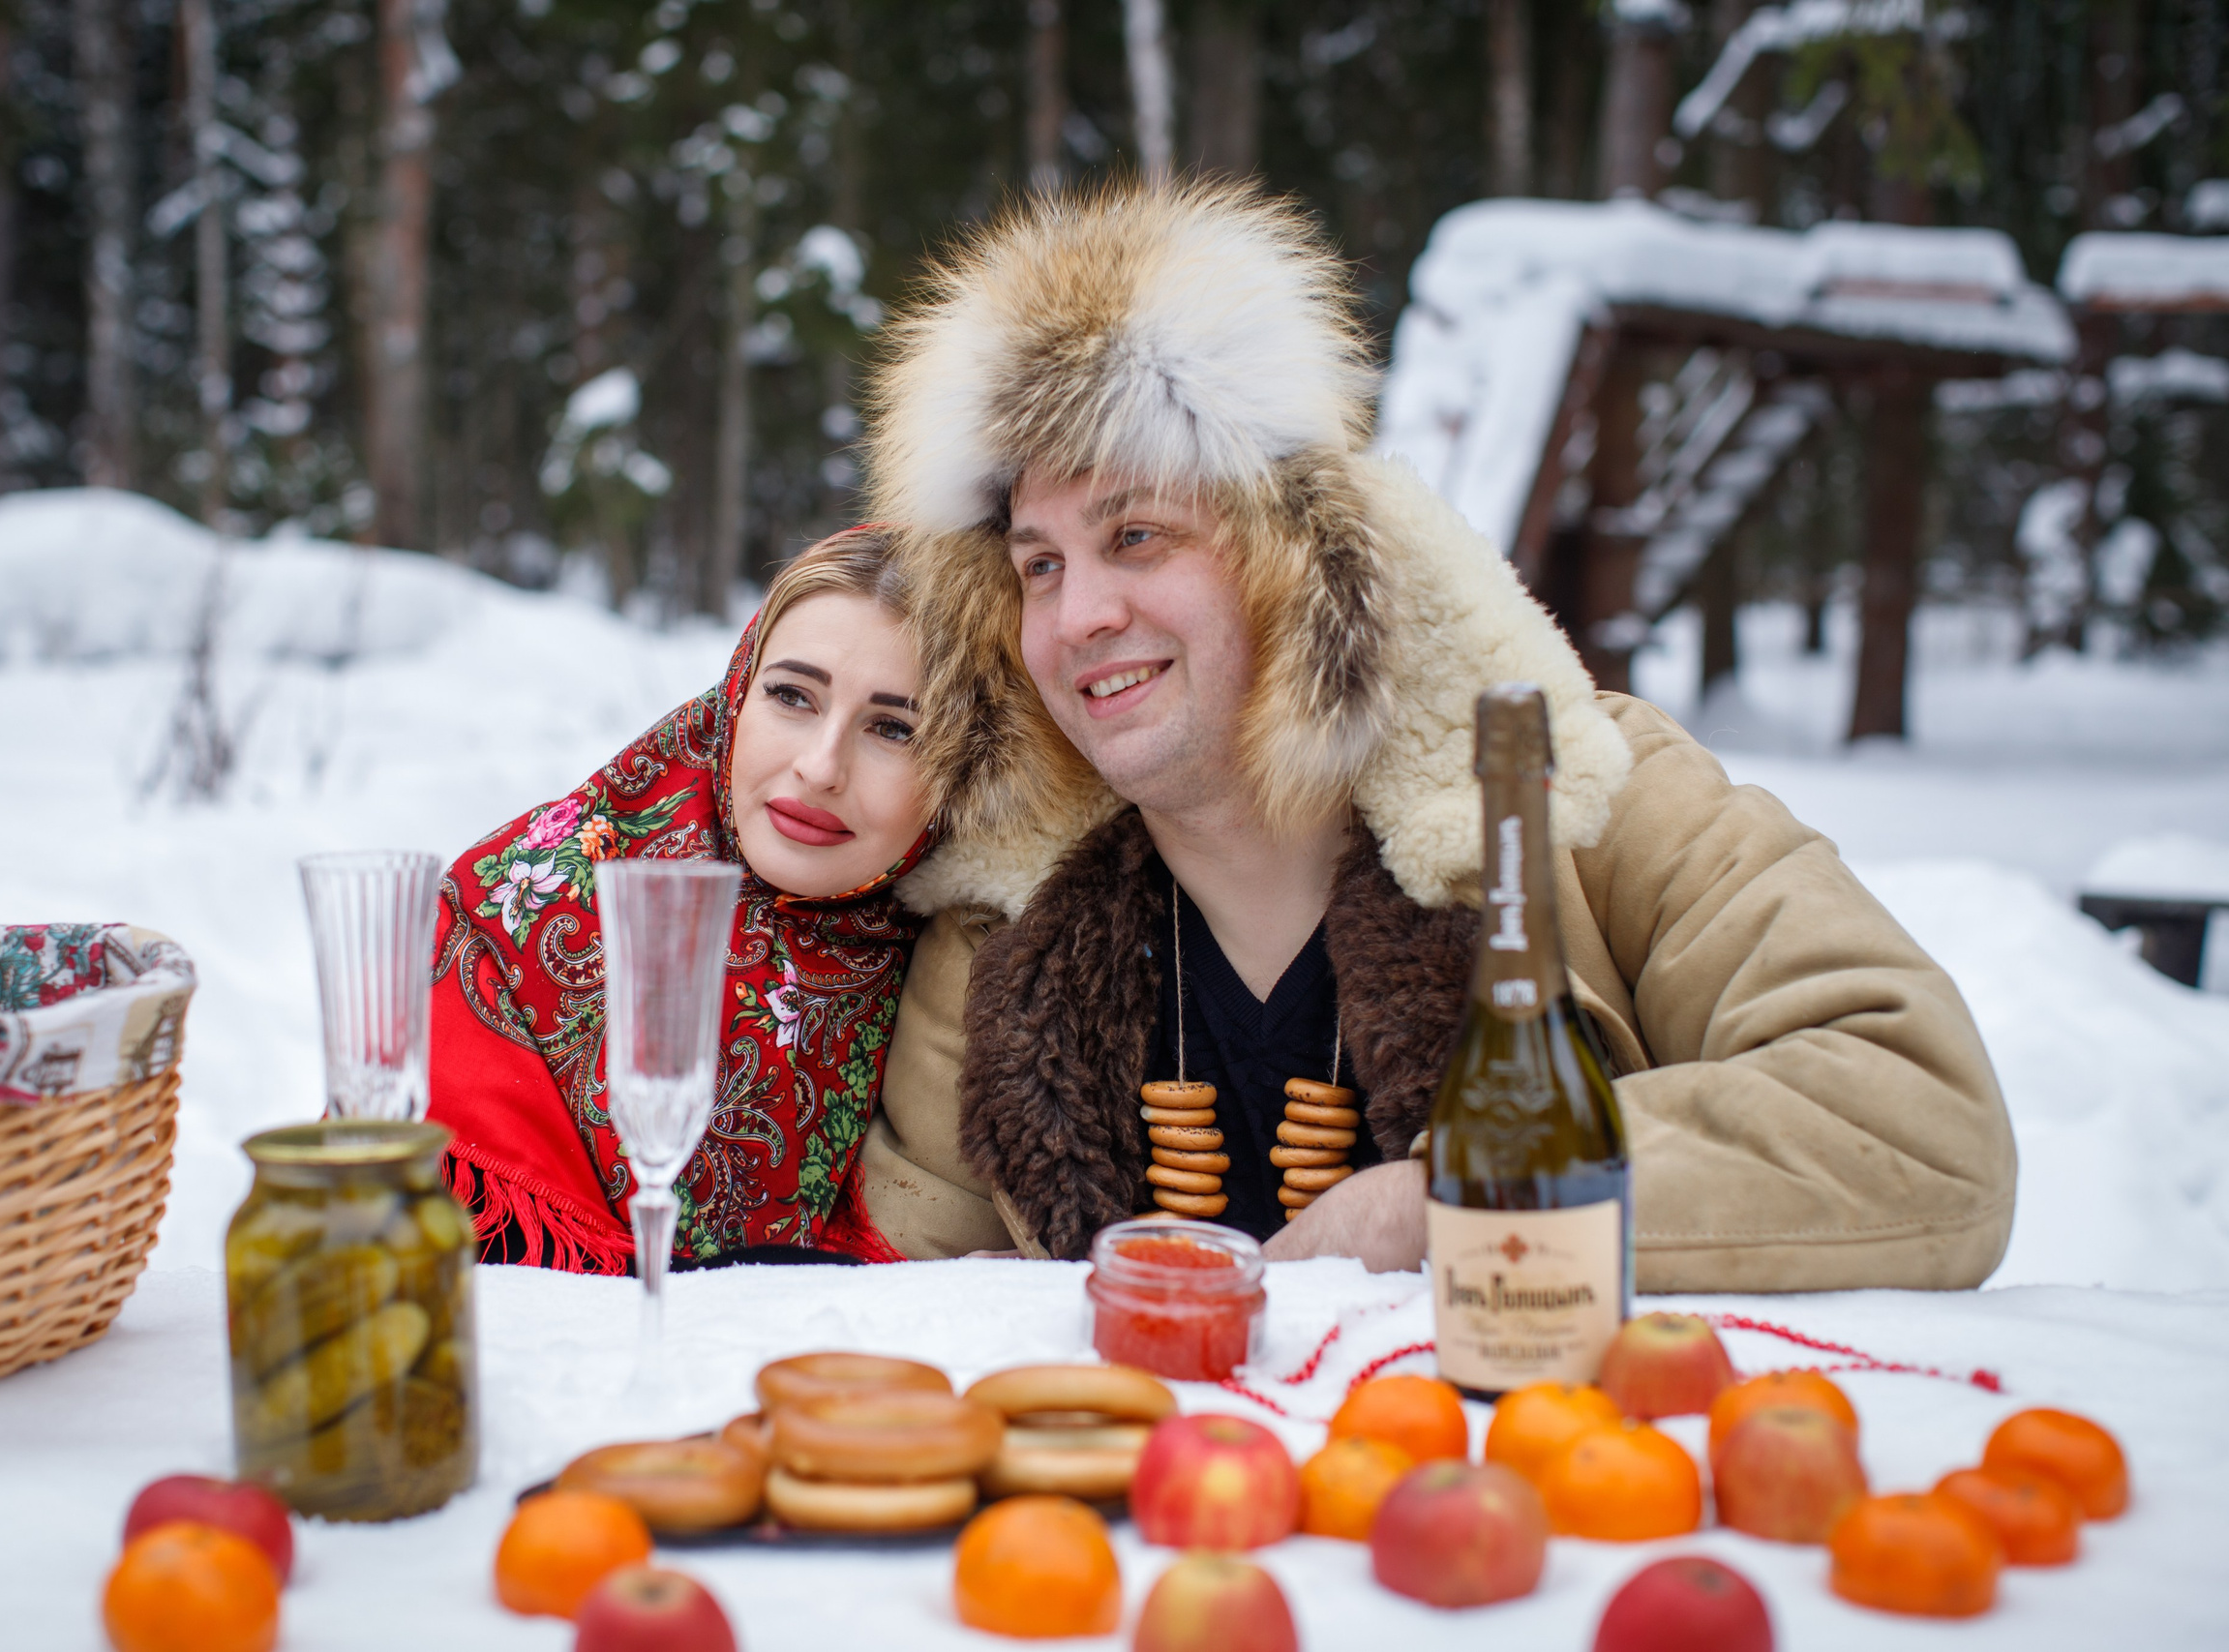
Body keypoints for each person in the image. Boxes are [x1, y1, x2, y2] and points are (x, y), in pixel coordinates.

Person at [855, 181, 2017, 1291]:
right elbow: (900, 1283)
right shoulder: (1004, 930)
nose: (1078, 617)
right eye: (1039, 566)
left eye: (1137, 537)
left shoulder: (1591, 799)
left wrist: (1458, 1199)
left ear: (1290, 560)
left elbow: (1918, 1123)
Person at [428, 526, 938, 1272]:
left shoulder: (973, 974)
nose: (821, 766)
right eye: (792, 695)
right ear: (736, 696)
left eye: (894, 728)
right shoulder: (509, 913)